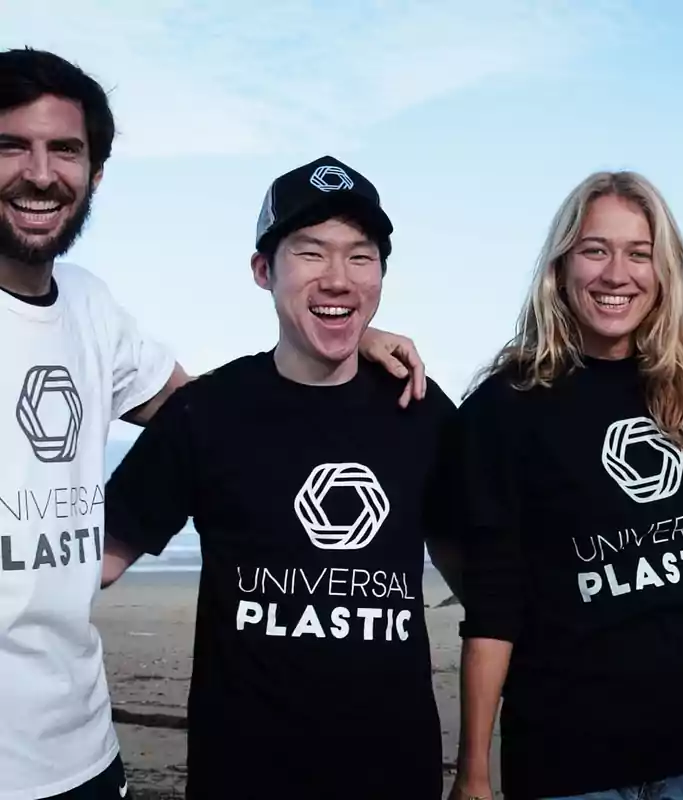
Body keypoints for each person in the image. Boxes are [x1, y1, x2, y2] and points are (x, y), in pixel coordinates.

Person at [0, 47, 428, 800]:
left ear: (94, 172)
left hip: (79, 751)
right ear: (265, 268)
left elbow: (216, 417)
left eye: (64, 149)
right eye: (10, 146)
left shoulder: (90, 307)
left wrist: (336, 337)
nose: (40, 173)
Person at [98, 155, 460, 799]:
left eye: (361, 256)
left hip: (393, 770)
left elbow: (490, 572)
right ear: (264, 271)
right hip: (244, 772)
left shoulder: (422, 410)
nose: (338, 278)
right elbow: (90, 561)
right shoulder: (206, 412)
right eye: (311, 253)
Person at [445, 170, 683, 800]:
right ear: (560, 267)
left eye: (640, 253)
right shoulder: (506, 406)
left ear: (664, 272)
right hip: (568, 759)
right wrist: (473, 772)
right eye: (594, 250)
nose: (617, 274)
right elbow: (492, 602)